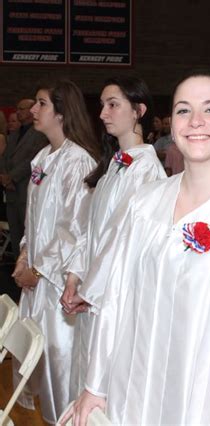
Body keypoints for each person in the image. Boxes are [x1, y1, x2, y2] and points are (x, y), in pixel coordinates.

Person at [61, 69, 210, 425]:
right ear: (171, 125)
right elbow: (117, 296)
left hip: (199, 397)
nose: (196, 122)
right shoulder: (145, 204)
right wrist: (95, 384)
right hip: (132, 385)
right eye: (183, 110)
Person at [59, 76, 166, 400]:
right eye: (102, 105)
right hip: (94, 294)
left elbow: (124, 244)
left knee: (111, 387)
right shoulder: (113, 169)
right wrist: (74, 276)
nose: (103, 113)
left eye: (113, 105)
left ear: (139, 111)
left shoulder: (148, 172)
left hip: (116, 299)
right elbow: (90, 231)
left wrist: (89, 288)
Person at [11, 79, 101, 424]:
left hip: (57, 281)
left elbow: (75, 227)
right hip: (36, 277)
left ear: (62, 113)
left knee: (59, 364)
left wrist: (39, 267)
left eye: (41, 104)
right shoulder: (44, 157)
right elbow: (34, 221)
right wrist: (23, 255)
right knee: (37, 359)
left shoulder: (77, 161)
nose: (33, 111)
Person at [0, 99, 48, 257]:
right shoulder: (15, 134)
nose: (18, 112)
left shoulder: (39, 134)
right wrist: (5, 177)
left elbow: (32, 159)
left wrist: (12, 177)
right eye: (17, 108)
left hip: (25, 188)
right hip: (12, 191)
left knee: (27, 233)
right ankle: (16, 266)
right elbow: (5, 157)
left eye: (22, 109)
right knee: (15, 233)